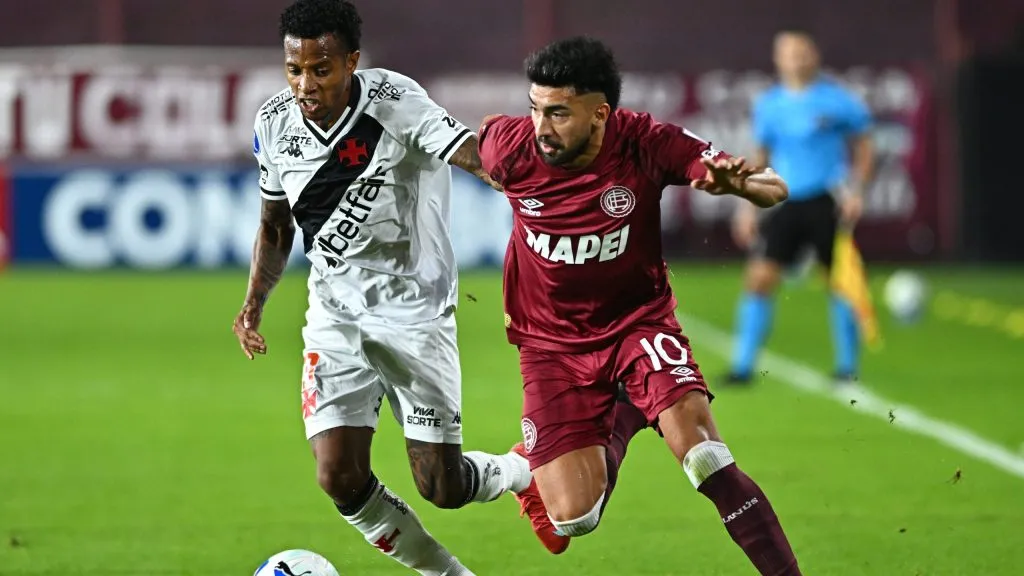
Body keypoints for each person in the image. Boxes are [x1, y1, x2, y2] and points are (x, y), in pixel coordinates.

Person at [478, 36, 802, 575]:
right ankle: (623, 413)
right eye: (535, 108)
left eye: (558, 113)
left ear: (601, 113)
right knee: (573, 520)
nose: (542, 126)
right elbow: (480, 145)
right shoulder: (510, 146)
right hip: (550, 346)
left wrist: (740, 187)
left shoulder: (645, 141)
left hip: (637, 326)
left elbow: (773, 188)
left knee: (703, 456)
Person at [231, 1, 535, 574]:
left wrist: (528, 180)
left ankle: (522, 472)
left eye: (321, 70)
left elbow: (471, 155)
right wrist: (253, 304)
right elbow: (275, 224)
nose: (306, 84)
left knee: (441, 485)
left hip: (414, 315)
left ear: (351, 61)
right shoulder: (273, 123)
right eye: (294, 70)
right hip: (335, 314)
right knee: (337, 475)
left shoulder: (395, 101)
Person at [728, 30, 875, 384]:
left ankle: (847, 367)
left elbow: (865, 146)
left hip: (827, 199)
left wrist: (857, 190)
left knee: (840, 281)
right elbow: (760, 156)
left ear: (815, 55)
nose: (796, 58)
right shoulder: (770, 104)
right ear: (777, 59)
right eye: (788, 52)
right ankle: (743, 368)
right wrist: (747, 207)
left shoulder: (837, 100)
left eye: (802, 51)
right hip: (786, 202)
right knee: (759, 278)